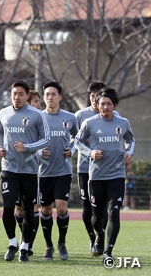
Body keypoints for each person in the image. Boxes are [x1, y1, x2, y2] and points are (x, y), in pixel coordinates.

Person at [75, 87, 135, 262]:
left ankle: (109, 251)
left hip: (116, 175)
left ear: (114, 105)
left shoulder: (123, 122)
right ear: (97, 104)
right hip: (96, 176)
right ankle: (99, 234)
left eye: (109, 104)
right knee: (97, 216)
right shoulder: (90, 123)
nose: (105, 107)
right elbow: (77, 142)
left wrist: (129, 152)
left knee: (114, 211)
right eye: (102, 104)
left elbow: (131, 139)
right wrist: (90, 153)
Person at [0, 80, 50, 263]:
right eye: (14, 94)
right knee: (8, 207)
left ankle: (25, 247)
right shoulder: (3, 113)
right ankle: (12, 243)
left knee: (29, 210)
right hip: (9, 168)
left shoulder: (36, 115)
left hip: (29, 169)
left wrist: (27, 147)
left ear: (27, 95)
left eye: (20, 94)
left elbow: (46, 139)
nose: (16, 97)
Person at [38, 81, 78, 261]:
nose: (50, 97)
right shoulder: (37, 117)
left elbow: (78, 138)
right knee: (46, 210)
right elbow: (31, 140)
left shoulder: (70, 118)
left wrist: (72, 149)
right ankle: (49, 246)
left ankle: (62, 243)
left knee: (61, 209)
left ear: (59, 97)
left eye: (53, 94)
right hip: (43, 172)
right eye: (47, 94)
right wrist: (39, 151)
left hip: (63, 170)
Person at [75, 81, 111, 252]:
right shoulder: (80, 116)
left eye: (98, 96)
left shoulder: (111, 115)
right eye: (92, 96)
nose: (95, 100)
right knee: (88, 206)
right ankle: (92, 237)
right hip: (84, 168)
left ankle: (100, 237)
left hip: (105, 169)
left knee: (103, 206)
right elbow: (74, 140)